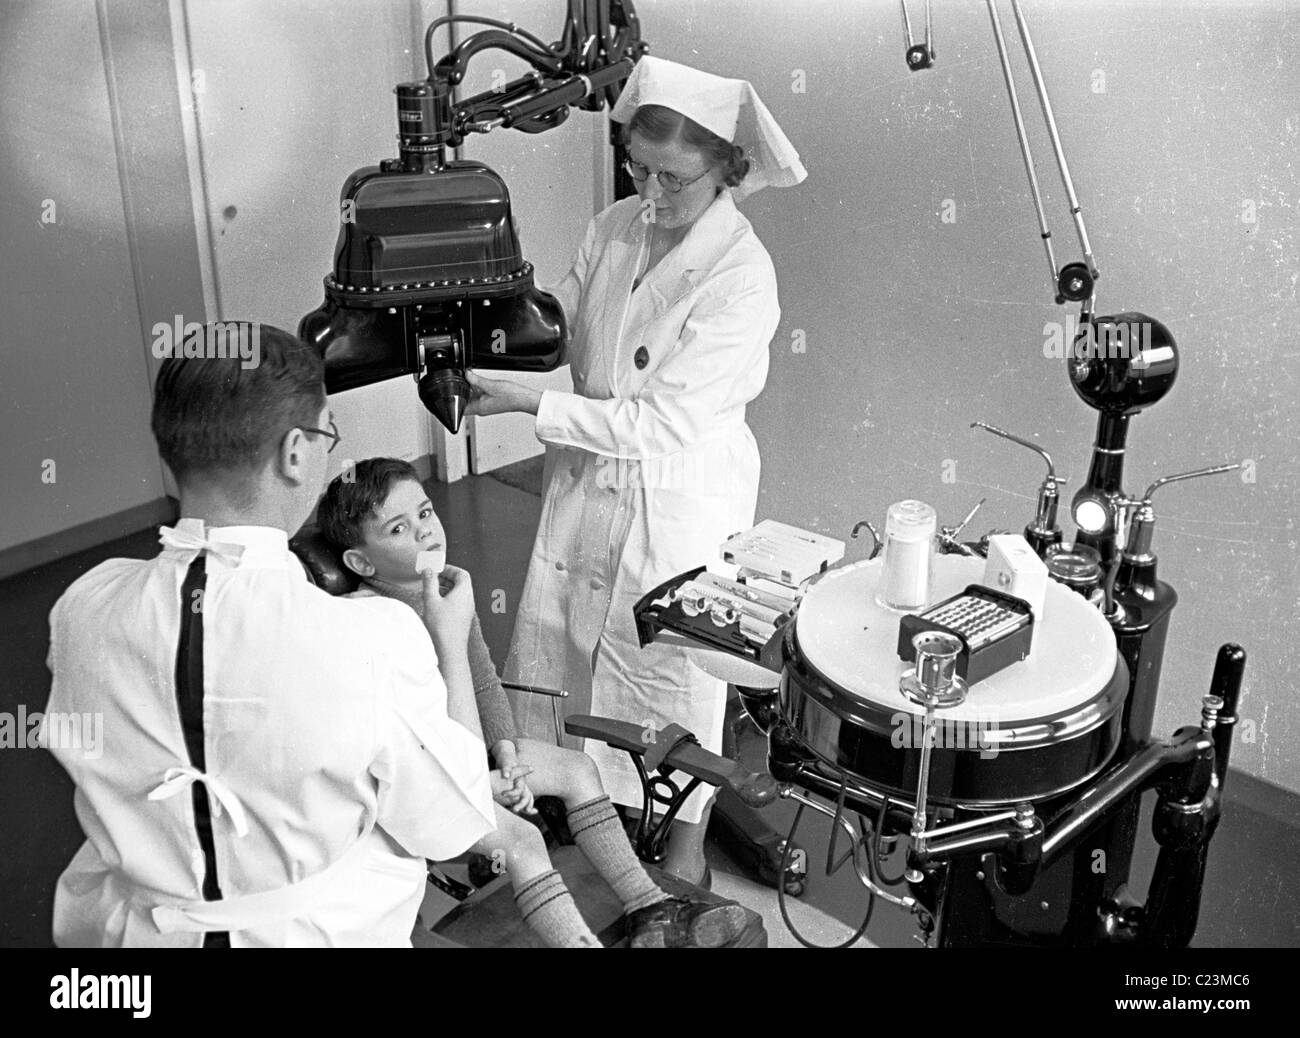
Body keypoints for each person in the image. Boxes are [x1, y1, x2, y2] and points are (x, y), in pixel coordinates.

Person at [41, 323, 499, 948]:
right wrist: (451, 643)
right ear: (294, 453)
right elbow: (454, 824)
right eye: (325, 436)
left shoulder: (83, 606)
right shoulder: (372, 638)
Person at [464, 56, 806, 884]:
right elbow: (561, 324)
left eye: (674, 178)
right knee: (567, 643)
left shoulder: (741, 273)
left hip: (676, 488)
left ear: (727, 172)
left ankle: (685, 842)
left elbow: (664, 422)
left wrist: (524, 403)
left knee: (666, 673)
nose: (651, 193)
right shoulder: (616, 225)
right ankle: (586, 807)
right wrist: (489, 317)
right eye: (638, 167)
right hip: (591, 471)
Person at [315, 457, 749, 947]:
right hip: (422, 785)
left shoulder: (447, 590)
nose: (425, 532)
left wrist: (504, 750)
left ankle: (649, 905)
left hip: (469, 756)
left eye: (425, 512)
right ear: (361, 563)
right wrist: (486, 783)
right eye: (398, 528)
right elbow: (426, 760)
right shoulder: (374, 625)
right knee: (524, 841)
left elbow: (481, 684)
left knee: (578, 771)